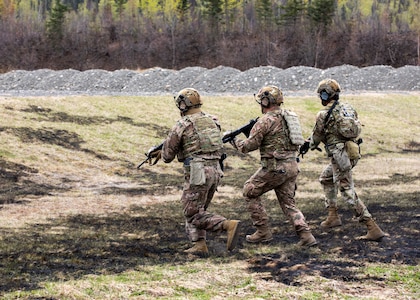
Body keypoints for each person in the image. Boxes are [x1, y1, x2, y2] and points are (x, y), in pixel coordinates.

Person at [147, 88, 241, 255]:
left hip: (198, 172)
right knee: (198, 209)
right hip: (216, 169)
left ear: (183, 105)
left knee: (192, 213)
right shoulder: (212, 120)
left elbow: (168, 156)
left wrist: (161, 152)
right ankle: (199, 245)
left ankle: (227, 225)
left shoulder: (183, 124)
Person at [227, 85, 317, 247]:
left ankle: (262, 231)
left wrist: (233, 140)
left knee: (249, 190)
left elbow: (247, 147)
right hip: (291, 166)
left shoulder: (265, 121)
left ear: (266, 101)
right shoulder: (289, 117)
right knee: (289, 204)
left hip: (275, 168)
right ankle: (306, 235)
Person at [307, 78, 385, 241]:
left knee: (346, 190)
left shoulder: (323, 114)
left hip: (339, 156)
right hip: (351, 153)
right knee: (326, 178)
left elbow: (316, 136)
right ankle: (333, 216)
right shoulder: (348, 108)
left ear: (324, 95)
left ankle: (372, 227)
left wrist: (309, 145)